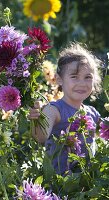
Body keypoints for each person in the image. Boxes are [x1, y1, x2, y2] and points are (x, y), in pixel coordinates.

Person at [28, 42, 102, 175]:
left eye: (88, 77)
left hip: (87, 184)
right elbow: (40, 137)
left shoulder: (92, 112)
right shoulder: (54, 110)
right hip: (61, 185)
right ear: (59, 79)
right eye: (74, 77)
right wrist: (36, 120)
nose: (82, 83)